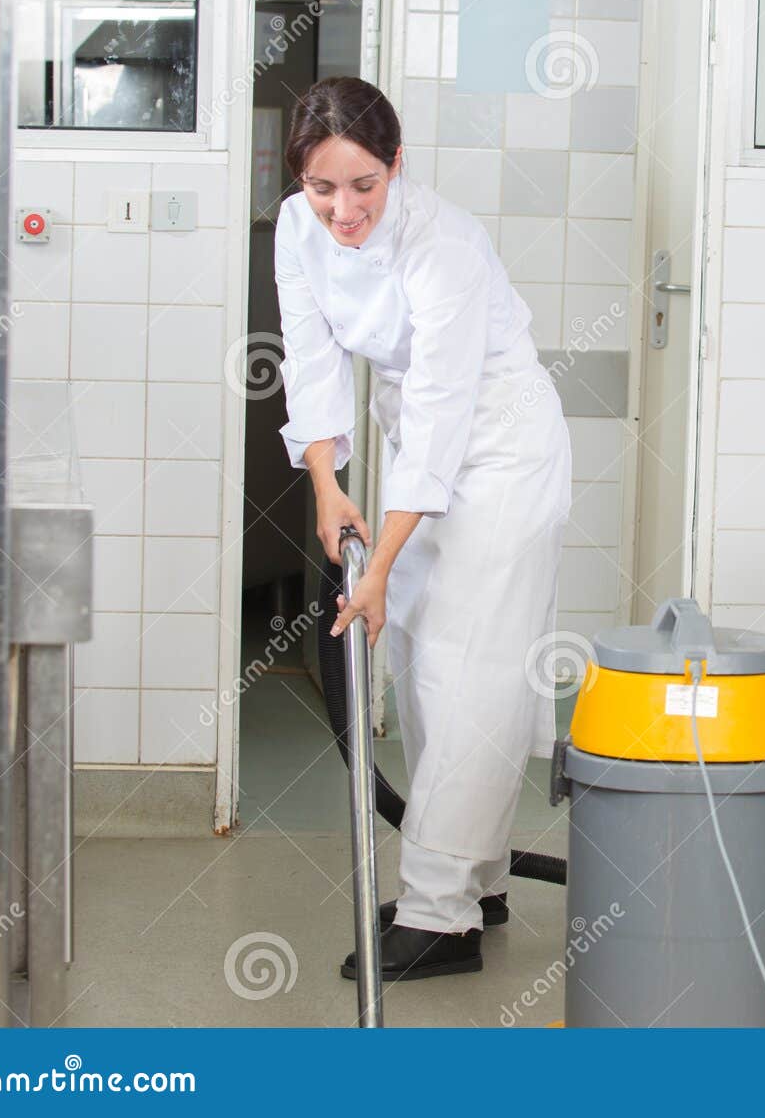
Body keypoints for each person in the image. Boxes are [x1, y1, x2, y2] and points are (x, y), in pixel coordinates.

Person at [275, 77, 571, 977]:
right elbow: (311, 355)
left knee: (471, 668)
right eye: (324, 187)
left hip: (501, 446)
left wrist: (378, 564)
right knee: (420, 666)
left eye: (364, 184)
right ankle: (476, 878)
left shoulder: (443, 245)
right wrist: (327, 485)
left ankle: (441, 918)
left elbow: (445, 411)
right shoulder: (298, 228)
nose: (344, 208)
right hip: (420, 450)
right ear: (299, 180)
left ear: (396, 166)